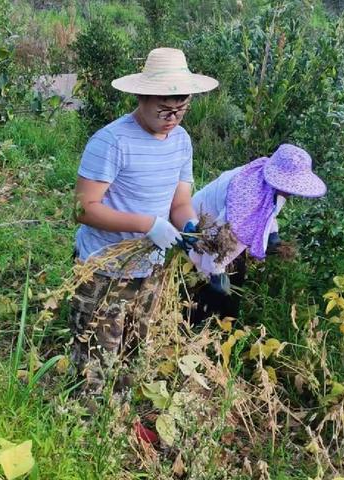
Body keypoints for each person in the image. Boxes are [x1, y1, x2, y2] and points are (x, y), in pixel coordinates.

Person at [69, 48, 219, 393]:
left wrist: (190, 226)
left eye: (180, 108)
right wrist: (148, 224)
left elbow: (179, 201)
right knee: (94, 361)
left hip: (149, 269)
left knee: (133, 353)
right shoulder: (112, 141)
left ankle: (122, 420)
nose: (172, 117)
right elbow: (83, 208)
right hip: (104, 269)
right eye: (164, 109)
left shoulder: (181, 141)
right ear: (141, 97)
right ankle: (87, 426)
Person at [185, 143, 327, 324]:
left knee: (234, 280)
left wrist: (273, 234)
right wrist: (216, 272)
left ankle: (224, 327)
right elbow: (220, 240)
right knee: (207, 284)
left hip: (228, 235)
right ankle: (195, 326)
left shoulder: (272, 184)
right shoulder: (244, 200)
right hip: (204, 227)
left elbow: (268, 210)